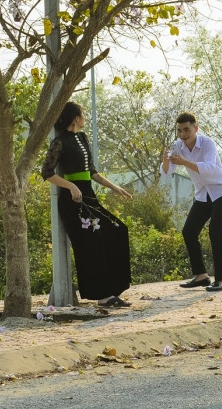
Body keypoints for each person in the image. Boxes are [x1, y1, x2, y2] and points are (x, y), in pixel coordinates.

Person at [41, 101, 133, 308]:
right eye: (83, 114)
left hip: (89, 196)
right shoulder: (60, 142)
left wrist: (114, 187)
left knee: (117, 230)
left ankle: (113, 289)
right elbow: (46, 172)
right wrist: (71, 186)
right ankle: (102, 295)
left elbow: (91, 172)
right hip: (73, 201)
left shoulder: (82, 138)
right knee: (91, 246)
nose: (85, 117)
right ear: (76, 118)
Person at [161, 112, 222, 292]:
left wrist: (184, 161)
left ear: (196, 128)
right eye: (179, 130)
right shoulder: (178, 145)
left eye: (186, 130)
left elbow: (209, 168)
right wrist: (165, 160)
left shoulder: (208, 143)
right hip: (203, 194)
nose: (182, 134)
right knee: (189, 231)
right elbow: (167, 172)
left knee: (215, 232)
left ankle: (221, 280)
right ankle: (201, 276)